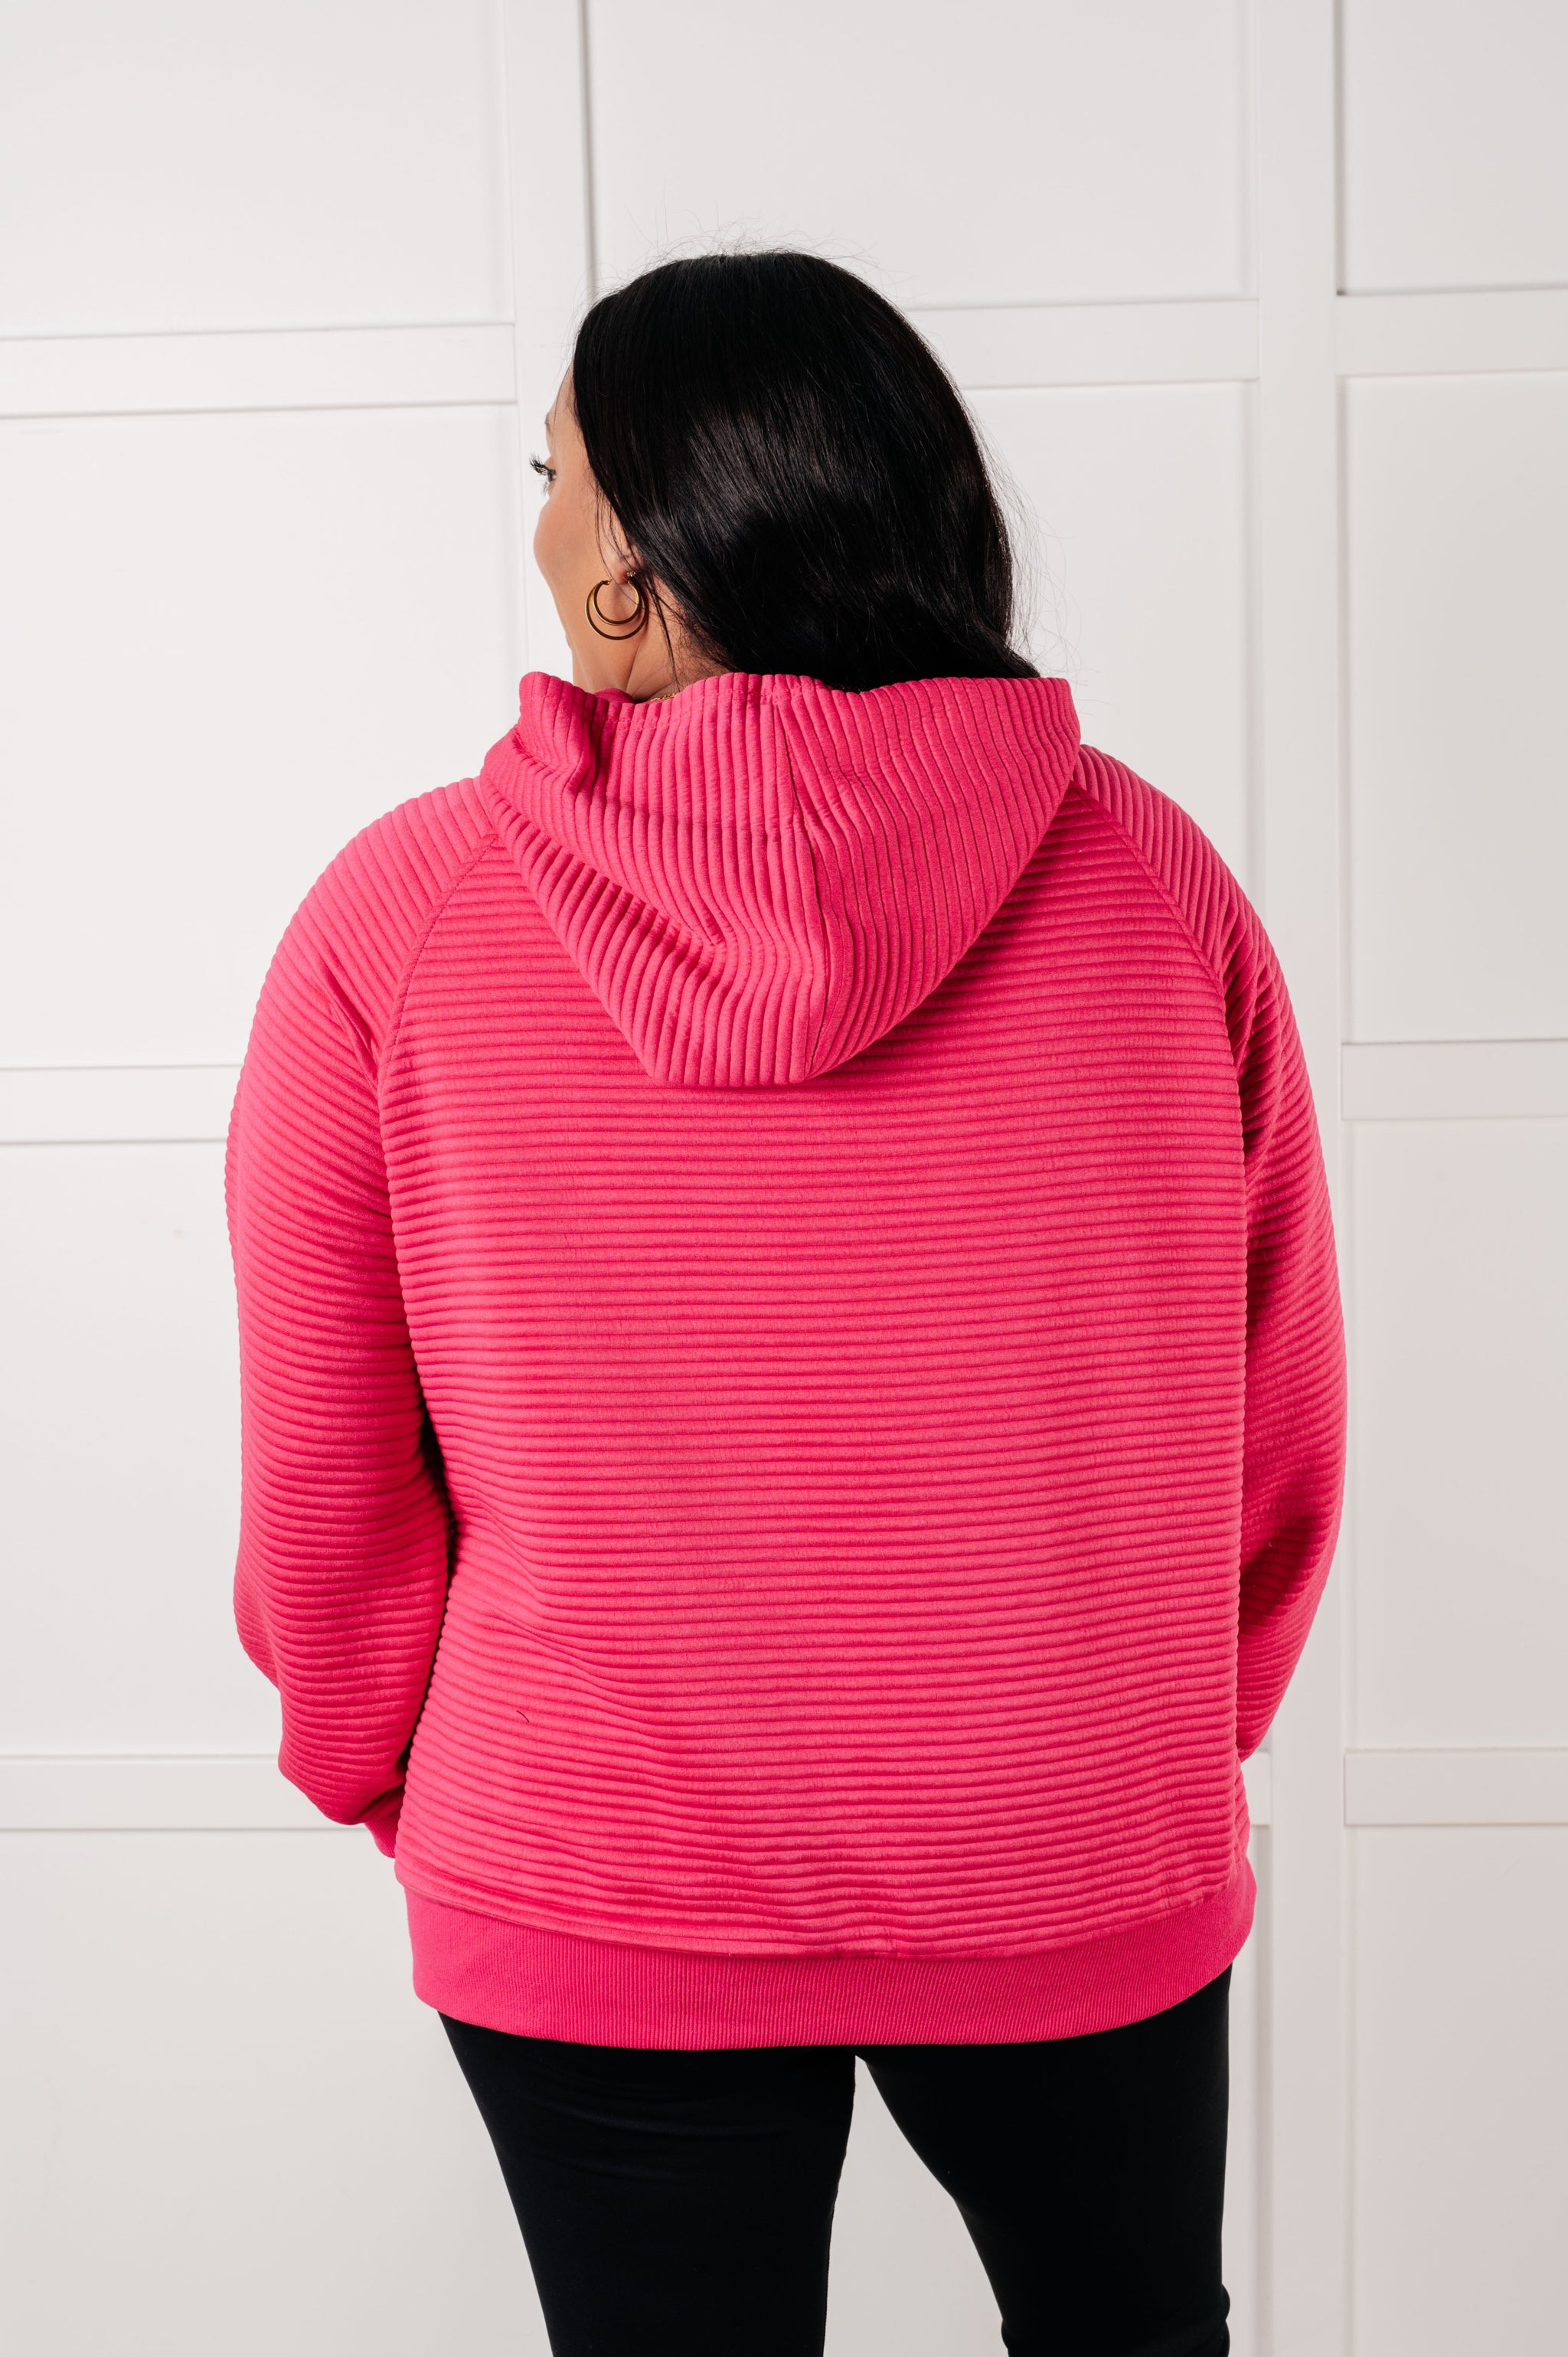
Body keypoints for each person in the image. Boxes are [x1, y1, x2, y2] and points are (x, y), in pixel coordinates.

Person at [226, 251, 1347, 2356]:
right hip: (1075, 1841)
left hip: (587, 1847)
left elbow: (323, 1469)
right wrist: (1141, 1750)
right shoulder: (1153, 885)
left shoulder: (400, 917)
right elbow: (1268, 1417)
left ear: (633, 575)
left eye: (549, 480)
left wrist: (411, 1779)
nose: (535, 531)